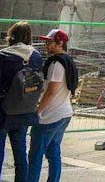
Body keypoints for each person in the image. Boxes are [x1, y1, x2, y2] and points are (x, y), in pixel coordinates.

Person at [0, 21, 44, 182]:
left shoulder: (4, 56)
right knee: (20, 155)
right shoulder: (36, 56)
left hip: (1, 113)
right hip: (24, 111)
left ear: (11, 36)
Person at [28, 29, 77, 182]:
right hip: (64, 113)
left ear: (60, 43)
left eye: (49, 42)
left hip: (49, 116)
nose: (46, 44)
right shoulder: (68, 61)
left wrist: (38, 112)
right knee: (53, 152)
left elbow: (51, 91)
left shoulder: (56, 63)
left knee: (35, 155)